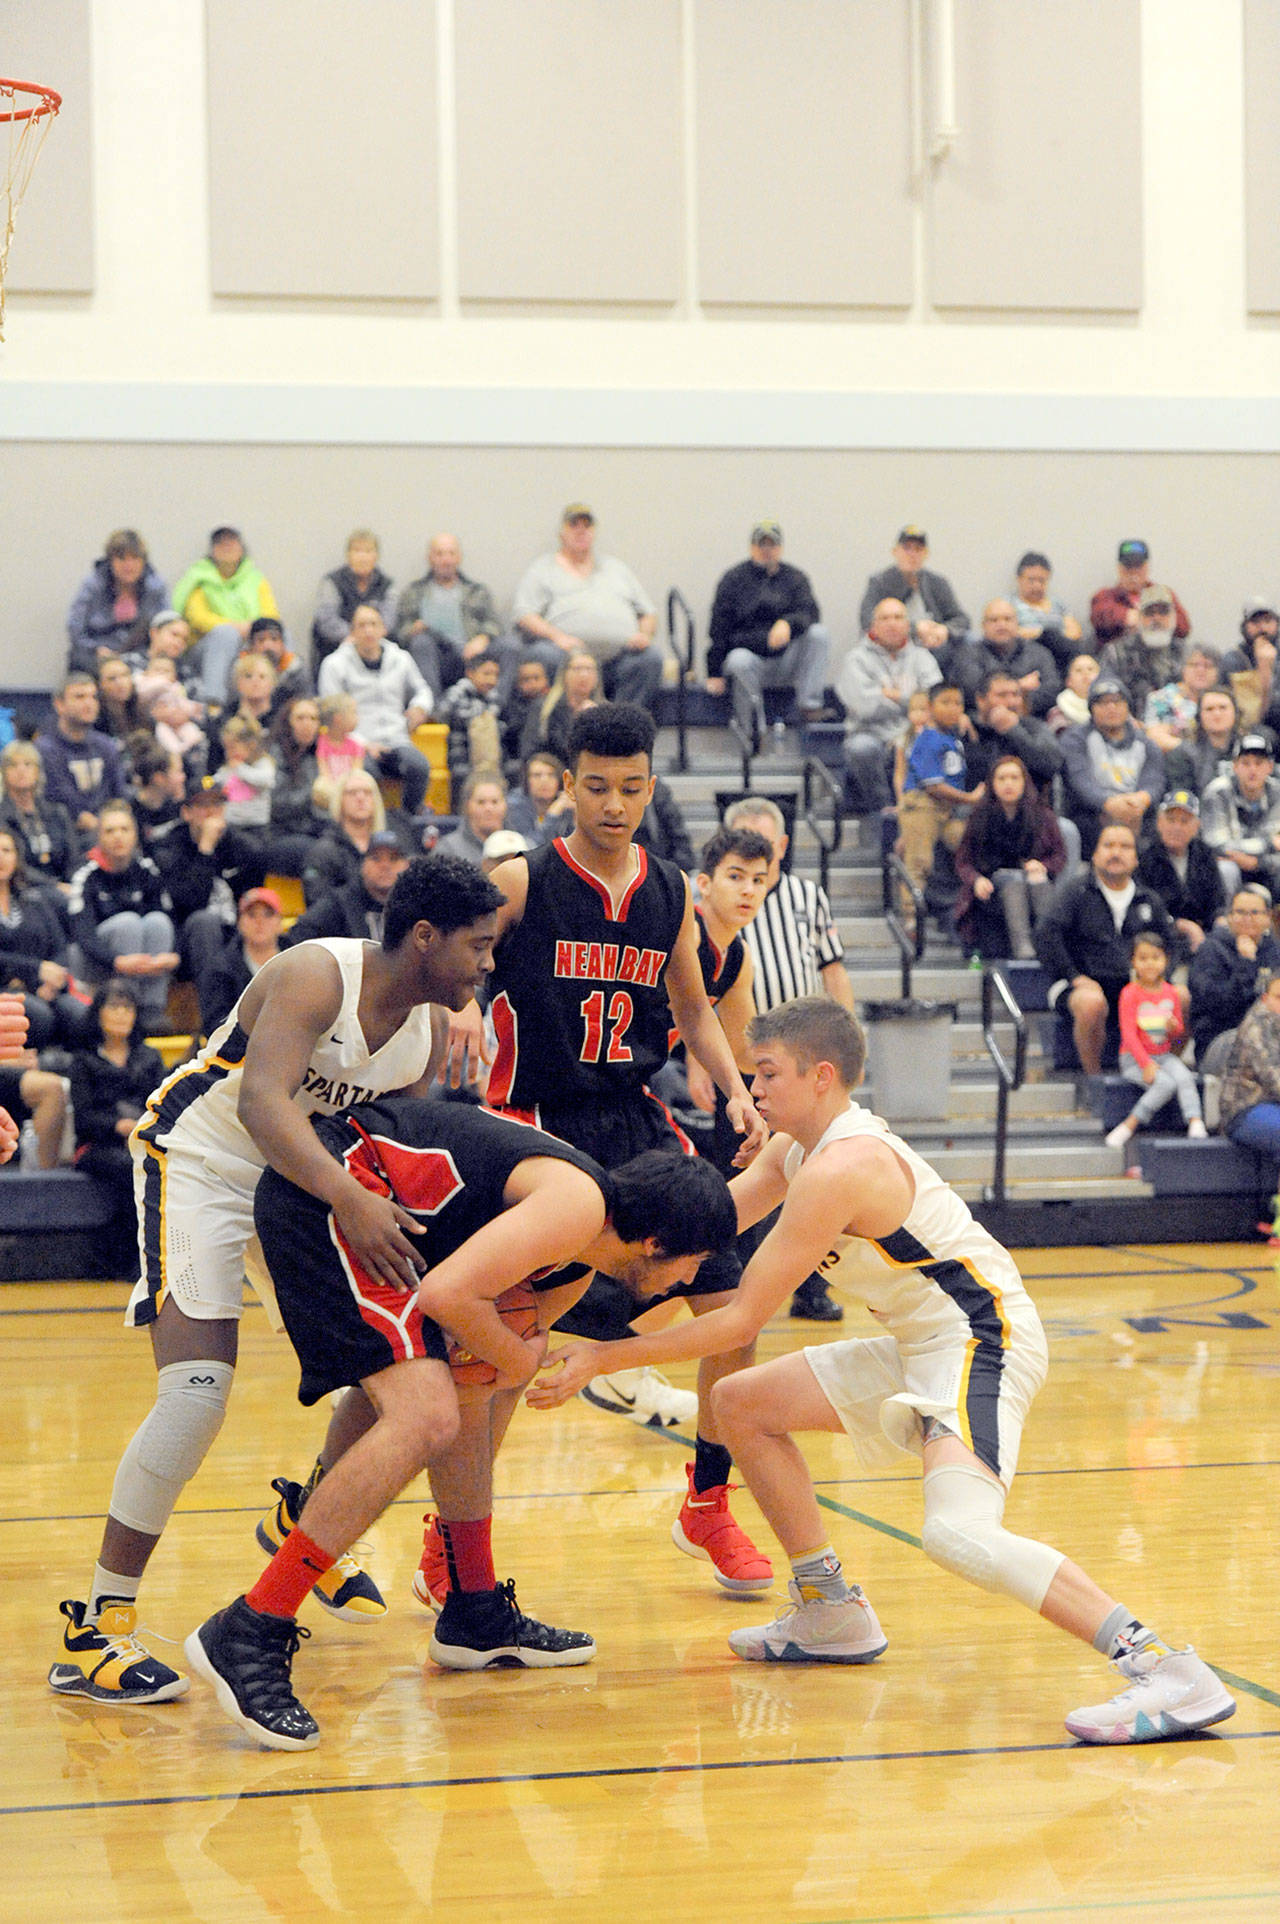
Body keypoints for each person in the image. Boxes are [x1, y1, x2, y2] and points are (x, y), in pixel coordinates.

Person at [530, 997, 1237, 1747]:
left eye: (767, 1073)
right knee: (739, 1403)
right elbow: (696, 1236)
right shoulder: (793, 1151)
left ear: (821, 1076)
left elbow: (740, 1320)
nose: (754, 1088)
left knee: (957, 1536)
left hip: (980, 1338)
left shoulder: (843, 1166)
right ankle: (829, 1609)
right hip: (916, 1341)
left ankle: (1165, 1667)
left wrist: (604, 1357)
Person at [47, 854, 505, 1706]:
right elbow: (262, 1103)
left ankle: (304, 1513)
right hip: (202, 1161)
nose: (487, 965)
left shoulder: (425, 1032)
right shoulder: (312, 972)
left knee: (394, 1356)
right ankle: (95, 1630)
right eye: (478, 947)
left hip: (301, 1185)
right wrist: (351, 1203)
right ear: (424, 935)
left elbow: (385, 1144)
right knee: (194, 1392)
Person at [187, 1112, 737, 1749]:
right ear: (655, 1242)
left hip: (388, 1217)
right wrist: (523, 1359)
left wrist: (508, 1366)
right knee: (426, 1415)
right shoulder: (577, 1207)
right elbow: (449, 1297)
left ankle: (474, 1609)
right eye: (693, 1264)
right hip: (339, 1197)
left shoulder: (574, 1265)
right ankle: (253, 1623)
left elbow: (488, 1383)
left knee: (462, 1393)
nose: (690, 1282)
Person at [443, 702, 770, 1592]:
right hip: (535, 1124)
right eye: (596, 786)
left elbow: (695, 1009)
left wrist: (735, 1088)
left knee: (730, 1304)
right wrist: (463, 998)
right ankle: (455, 1535)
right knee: (507, 1347)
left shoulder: (667, 889)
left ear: (651, 787)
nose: (613, 804)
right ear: (565, 785)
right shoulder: (520, 878)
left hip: (632, 1116)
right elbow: (446, 945)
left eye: (630, 788)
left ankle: (707, 1501)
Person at [719, 795, 854, 1323]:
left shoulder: (807, 896)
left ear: (782, 847)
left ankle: (812, 1286)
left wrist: (844, 1048)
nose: (754, 860)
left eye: (763, 843)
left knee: (816, 1174)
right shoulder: (715, 903)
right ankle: (744, 1285)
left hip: (807, 1059)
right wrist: (710, 1068)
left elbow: (833, 969)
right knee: (747, 1171)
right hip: (743, 1060)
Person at [1035, 822, 1175, 1076]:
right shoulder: (1074, 892)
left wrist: (1161, 981)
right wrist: (1074, 976)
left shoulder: (1149, 900)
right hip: (1081, 984)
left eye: (1125, 846)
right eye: (1108, 845)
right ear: (1095, 854)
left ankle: (1165, 1071)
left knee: (1181, 997)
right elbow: (1046, 935)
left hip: (1135, 985)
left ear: (1135, 859)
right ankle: (1095, 1080)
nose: (1116, 852)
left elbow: (1171, 944)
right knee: (1091, 1003)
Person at [512, 505, 664, 711]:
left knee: (650, 658)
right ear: (561, 534)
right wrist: (558, 637)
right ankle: (563, 728)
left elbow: (647, 612)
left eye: (587, 525)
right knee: (542, 655)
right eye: (574, 525)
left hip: (618, 657)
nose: (581, 530)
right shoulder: (543, 568)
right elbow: (525, 614)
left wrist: (644, 635)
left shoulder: (616, 568)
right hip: (565, 657)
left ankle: (622, 729)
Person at [68, 982, 166, 1278]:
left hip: (142, 1140)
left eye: (128, 1008)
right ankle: (129, 1259)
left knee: (156, 1164)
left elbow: (161, 1106)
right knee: (130, 1168)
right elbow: (83, 1120)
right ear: (97, 1014)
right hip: (96, 1146)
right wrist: (119, 1126)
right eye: (113, 1007)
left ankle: (156, 1257)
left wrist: (141, 1128)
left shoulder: (150, 1058)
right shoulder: (83, 1061)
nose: (122, 1014)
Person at [705, 520, 833, 738]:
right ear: (752, 547)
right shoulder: (733, 580)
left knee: (819, 634)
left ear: (780, 548)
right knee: (737, 659)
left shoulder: (796, 578)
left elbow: (810, 613)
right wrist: (714, 671)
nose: (766, 550)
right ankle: (754, 727)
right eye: (761, 545)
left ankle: (809, 706)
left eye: (771, 545)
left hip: (787, 658)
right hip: (749, 659)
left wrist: (787, 624)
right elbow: (719, 628)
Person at [66, 799, 179, 1030]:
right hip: (95, 961)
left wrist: (174, 954)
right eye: (110, 830)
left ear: (135, 835)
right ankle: (126, 1006)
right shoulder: (85, 874)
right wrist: (117, 961)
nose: (118, 836)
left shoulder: (146, 868)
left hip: (138, 961)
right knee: (129, 923)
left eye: (124, 829)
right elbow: (82, 934)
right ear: (99, 837)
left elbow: (169, 915)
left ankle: (152, 1010)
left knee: (159, 922)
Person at [149, 773, 266, 990]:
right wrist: (206, 849)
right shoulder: (168, 848)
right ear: (186, 813)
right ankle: (214, 1015)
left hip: (234, 934)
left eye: (217, 804)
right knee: (205, 922)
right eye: (203, 806)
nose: (211, 812)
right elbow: (190, 904)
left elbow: (255, 897)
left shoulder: (245, 847)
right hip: (186, 939)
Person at [316, 604, 434, 815]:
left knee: (419, 766)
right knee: (364, 775)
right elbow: (330, 710)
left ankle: (408, 819)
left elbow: (423, 690)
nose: (368, 630)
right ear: (352, 632)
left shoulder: (401, 658)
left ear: (384, 629)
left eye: (374, 624)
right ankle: (371, 824)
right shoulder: (334, 664)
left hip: (397, 738)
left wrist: (419, 707)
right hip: (357, 743)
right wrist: (362, 743)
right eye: (361, 625)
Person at [953, 756, 1066, 961]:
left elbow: (1059, 856)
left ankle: (1048, 944)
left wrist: (1043, 866)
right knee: (1014, 882)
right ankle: (1022, 948)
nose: (1008, 784)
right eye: (1002, 778)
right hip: (992, 886)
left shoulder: (1043, 815)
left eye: (1014, 778)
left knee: (1038, 881)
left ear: (1024, 782)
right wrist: (976, 880)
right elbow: (964, 861)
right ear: (992, 783)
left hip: (1033, 881)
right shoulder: (979, 815)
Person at [836, 598, 942, 817]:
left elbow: (935, 702)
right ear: (873, 626)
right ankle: (882, 810)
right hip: (869, 733)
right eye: (885, 618)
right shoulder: (855, 660)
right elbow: (865, 707)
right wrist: (912, 703)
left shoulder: (923, 658)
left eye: (898, 617)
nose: (892, 624)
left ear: (907, 624)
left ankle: (924, 809)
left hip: (913, 733)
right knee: (860, 748)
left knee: (935, 740)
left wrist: (895, 696)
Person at [1105, 932, 1206, 1150]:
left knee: (1185, 1077)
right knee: (1165, 1084)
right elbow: (1129, 1035)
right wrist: (1145, 1063)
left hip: (1163, 1055)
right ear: (1133, 961)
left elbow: (1177, 1030)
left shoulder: (1170, 992)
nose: (1150, 963)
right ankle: (1128, 1125)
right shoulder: (1130, 993)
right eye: (1143, 958)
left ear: (1165, 960)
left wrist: (1172, 1029)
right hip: (1134, 1059)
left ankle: (1195, 1121)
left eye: (1155, 957)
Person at [895, 682, 983, 918]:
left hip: (948, 811)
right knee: (919, 861)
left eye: (958, 704)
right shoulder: (927, 739)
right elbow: (933, 786)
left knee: (965, 843)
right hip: (922, 805)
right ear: (930, 706)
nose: (953, 709)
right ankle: (910, 917)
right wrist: (969, 798)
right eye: (946, 703)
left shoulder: (951, 736)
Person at [172, 527, 282, 707]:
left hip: (249, 641)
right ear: (212, 550)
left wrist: (253, 629)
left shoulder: (255, 579)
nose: (227, 546)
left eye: (232, 542)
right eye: (221, 543)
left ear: (242, 548)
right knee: (226, 635)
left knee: (278, 635)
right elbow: (197, 617)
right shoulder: (199, 577)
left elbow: (271, 615)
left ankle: (280, 700)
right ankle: (214, 704)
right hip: (207, 647)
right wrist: (235, 627)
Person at [393, 533, 511, 701]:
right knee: (421, 643)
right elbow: (399, 632)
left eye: (451, 553)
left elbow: (494, 624)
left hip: (472, 652)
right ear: (430, 558)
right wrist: (413, 630)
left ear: (459, 557)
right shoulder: (414, 592)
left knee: (511, 646)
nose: (446, 560)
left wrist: (483, 637)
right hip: (437, 653)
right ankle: (432, 710)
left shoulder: (476, 591)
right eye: (440, 554)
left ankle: (497, 706)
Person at [0, 827, 87, 1049]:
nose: (1, 857)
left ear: (17, 858)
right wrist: (36, 970)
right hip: (5, 991)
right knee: (36, 1014)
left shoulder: (35, 901)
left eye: (6, 850)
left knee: (81, 1015)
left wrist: (51, 981)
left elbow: (60, 948)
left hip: (43, 988)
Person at [1059, 676, 1165, 856]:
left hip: (1137, 815)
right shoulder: (1075, 739)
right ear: (1091, 709)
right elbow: (1079, 781)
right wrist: (1109, 804)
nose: (1111, 708)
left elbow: (1154, 780)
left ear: (1127, 706)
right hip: (1093, 815)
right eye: (1102, 703)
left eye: (1117, 701)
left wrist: (1141, 800)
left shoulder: (1146, 743)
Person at [1187, 886, 1280, 1064]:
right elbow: (1219, 1005)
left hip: (1270, 1037)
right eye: (1240, 912)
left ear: (1268, 917)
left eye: (1255, 912)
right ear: (1229, 916)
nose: (1248, 919)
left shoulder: (1274, 951)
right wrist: (1246, 963)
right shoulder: (1211, 950)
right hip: (1222, 1037)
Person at [36, 672, 129, 849]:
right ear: (59, 704)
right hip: (65, 838)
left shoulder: (106, 745)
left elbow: (119, 795)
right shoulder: (45, 749)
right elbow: (66, 804)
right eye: (79, 697)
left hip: (107, 833)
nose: (89, 703)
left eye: (93, 697)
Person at [66, 530, 169, 677]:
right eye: (121, 558)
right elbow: (75, 628)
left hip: (140, 654)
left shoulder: (155, 587)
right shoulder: (93, 585)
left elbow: (166, 625)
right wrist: (96, 649)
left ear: (143, 561)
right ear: (110, 561)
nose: (129, 565)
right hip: (96, 654)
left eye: (135, 558)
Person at [1135, 790, 1224, 960]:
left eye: (1184, 821)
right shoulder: (1145, 855)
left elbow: (1216, 901)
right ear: (1159, 823)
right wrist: (1181, 925)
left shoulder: (1204, 854)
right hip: (1160, 933)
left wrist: (1221, 921)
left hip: (1203, 933)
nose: (1177, 827)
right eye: (1171, 820)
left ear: (1196, 826)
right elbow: (1144, 905)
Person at [858, 527, 970, 652]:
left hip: (935, 644)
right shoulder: (879, 582)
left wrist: (945, 630)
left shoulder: (938, 583)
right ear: (895, 551)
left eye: (918, 549)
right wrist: (914, 629)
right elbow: (867, 622)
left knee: (969, 641)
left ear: (926, 553)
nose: (912, 554)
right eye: (907, 548)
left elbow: (962, 619)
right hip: (895, 646)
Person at [284, 834, 408, 947]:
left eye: (393, 859)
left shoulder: (414, 904)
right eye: (376, 858)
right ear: (363, 865)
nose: (385, 866)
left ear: (407, 865)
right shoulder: (340, 902)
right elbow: (300, 931)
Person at [1200, 731, 1280, 900]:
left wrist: (1259, 863)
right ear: (1235, 766)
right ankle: (1225, 918)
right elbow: (1219, 845)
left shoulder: (1277, 793)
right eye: (1246, 763)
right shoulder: (1217, 792)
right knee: (1226, 868)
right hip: (1229, 864)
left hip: (1265, 865)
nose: (1253, 770)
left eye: (1259, 763)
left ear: (1270, 767)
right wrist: (1268, 843)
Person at [195, 886, 285, 1034]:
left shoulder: (301, 963)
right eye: (251, 914)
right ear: (239, 922)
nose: (259, 921)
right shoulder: (220, 969)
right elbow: (216, 1026)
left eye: (268, 914)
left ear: (280, 922)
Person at [964, 670, 1064, 798]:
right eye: (1002, 695)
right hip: (977, 809)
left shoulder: (1034, 727)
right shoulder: (967, 727)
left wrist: (1014, 731)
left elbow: (1053, 764)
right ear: (980, 700)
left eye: (1016, 695)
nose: (1011, 702)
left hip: (1030, 810)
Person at [312, 530, 397, 673]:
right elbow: (327, 620)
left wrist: (369, 635)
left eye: (368, 551)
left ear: (376, 556)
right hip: (340, 643)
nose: (362, 557)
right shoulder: (332, 582)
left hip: (376, 643)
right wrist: (356, 636)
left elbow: (389, 619)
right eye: (357, 551)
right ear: (348, 555)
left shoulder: (387, 584)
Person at [1097, 584, 1186, 716]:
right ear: (1138, 617)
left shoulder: (1185, 653)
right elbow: (1105, 695)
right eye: (1149, 613)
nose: (1156, 618)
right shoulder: (1116, 652)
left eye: (1163, 612)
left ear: (1173, 617)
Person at [0, 739, 78, 888]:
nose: (21, 770)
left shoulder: (58, 812)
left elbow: (73, 858)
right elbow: (15, 865)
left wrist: (71, 885)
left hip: (64, 887)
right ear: (4, 772)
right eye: (13, 765)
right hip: (23, 888)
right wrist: (54, 886)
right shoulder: (2, 816)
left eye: (28, 764)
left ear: (38, 771)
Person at [1218, 972, 1280, 1159]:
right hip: (1246, 1109)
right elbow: (1273, 1079)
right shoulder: (1256, 1026)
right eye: (1279, 998)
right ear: (1265, 998)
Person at [1089, 540, 1191, 652]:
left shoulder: (1164, 594)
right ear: (1119, 568)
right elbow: (1099, 615)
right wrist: (1128, 617)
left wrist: (1156, 619)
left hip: (1160, 657)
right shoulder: (1105, 596)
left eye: (1138, 567)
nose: (1133, 573)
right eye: (1128, 567)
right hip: (1118, 661)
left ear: (1147, 567)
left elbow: (1184, 627)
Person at [968, 598, 1060, 719]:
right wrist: (1020, 687)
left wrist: (1004, 695)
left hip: (1032, 722)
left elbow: (1052, 691)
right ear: (983, 625)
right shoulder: (969, 653)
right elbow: (970, 691)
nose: (1001, 625)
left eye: (1007, 619)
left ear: (1017, 623)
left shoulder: (1039, 653)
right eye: (994, 620)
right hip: (984, 724)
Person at [1141, 642, 1222, 756]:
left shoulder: (1223, 699)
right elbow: (1154, 736)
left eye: (1208, 666)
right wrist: (1192, 752)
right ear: (1183, 668)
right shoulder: (1162, 698)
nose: (1201, 671)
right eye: (1194, 665)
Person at [1165, 685, 1243, 799]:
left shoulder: (1251, 750)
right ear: (1199, 716)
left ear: (1235, 713)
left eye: (1223, 707)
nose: (1217, 714)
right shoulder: (1183, 755)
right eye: (1209, 709)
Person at [1010, 550, 1082, 672]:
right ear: (1019, 579)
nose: (1037, 586)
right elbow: (1009, 632)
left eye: (1042, 580)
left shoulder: (1058, 605)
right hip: (1026, 659)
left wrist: (1051, 636)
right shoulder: (1009, 605)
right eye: (1031, 580)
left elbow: (1075, 633)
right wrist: (1042, 634)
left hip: (1061, 656)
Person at [435, 651, 503, 778]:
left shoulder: (494, 697)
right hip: (458, 752)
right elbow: (441, 715)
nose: (492, 680)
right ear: (470, 673)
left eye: (495, 675)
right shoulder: (457, 693)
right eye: (486, 674)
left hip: (486, 754)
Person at [1219, 596, 1279, 733]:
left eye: (1268, 621)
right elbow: (1250, 718)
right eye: (1255, 622)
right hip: (1247, 731)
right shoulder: (1233, 660)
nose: (1262, 628)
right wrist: (1264, 670)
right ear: (1244, 626)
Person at [212, 715, 276, 840]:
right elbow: (218, 779)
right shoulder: (230, 767)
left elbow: (266, 780)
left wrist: (240, 769)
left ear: (251, 745)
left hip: (256, 827)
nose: (228, 753)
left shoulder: (263, 764)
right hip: (231, 823)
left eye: (233, 748)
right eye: (226, 748)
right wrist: (206, 782)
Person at [542, 650, 601, 766]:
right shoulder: (545, 707)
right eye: (577, 669)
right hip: (554, 770)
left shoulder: (605, 710)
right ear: (564, 674)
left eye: (589, 669)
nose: (584, 675)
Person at [504, 749, 574, 847]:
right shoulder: (514, 805)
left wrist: (577, 814)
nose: (544, 781)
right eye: (537, 775)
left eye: (551, 775)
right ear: (527, 781)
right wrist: (552, 814)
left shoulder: (567, 803)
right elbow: (531, 846)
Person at [435, 772, 507, 865]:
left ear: (505, 805)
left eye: (495, 802)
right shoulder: (447, 850)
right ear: (467, 805)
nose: (488, 808)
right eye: (481, 802)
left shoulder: (523, 847)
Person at [313, 692, 366, 810]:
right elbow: (323, 771)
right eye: (354, 712)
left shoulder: (356, 745)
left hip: (349, 787)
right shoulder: (321, 741)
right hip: (329, 789)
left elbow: (357, 772)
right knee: (321, 787)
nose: (357, 717)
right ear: (338, 718)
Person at [95, 655, 151, 745]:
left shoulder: (140, 710)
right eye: (112, 678)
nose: (120, 683)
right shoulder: (96, 720)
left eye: (125, 675)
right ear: (100, 684)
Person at [1047, 653, 1100, 733]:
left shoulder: (1110, 707)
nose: (1085, 674)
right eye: (1078, 670)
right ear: (1068, 681)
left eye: (1090, 669)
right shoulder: (1057, 713)